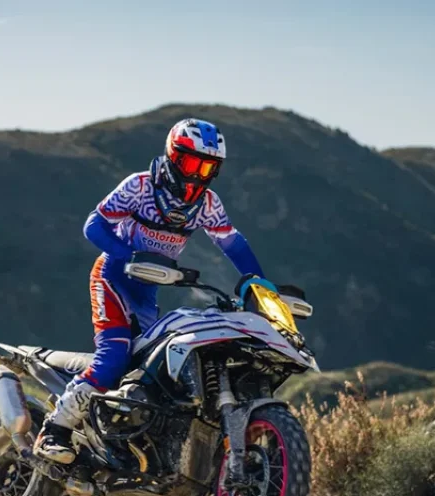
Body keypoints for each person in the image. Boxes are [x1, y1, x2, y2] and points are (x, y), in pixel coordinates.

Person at [34, 118, 274, 464]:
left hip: (148, 290)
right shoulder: (140, 186)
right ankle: (53, 430)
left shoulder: (208, 203)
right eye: (191, 164)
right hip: (113, 277)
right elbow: (94, 225)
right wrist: (127, 255)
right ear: (173, 156)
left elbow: (232, 243)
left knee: (153, 371)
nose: (198, 176)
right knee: (114, 357)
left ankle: (124, 441)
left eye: (208, 167)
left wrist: (258, 282)